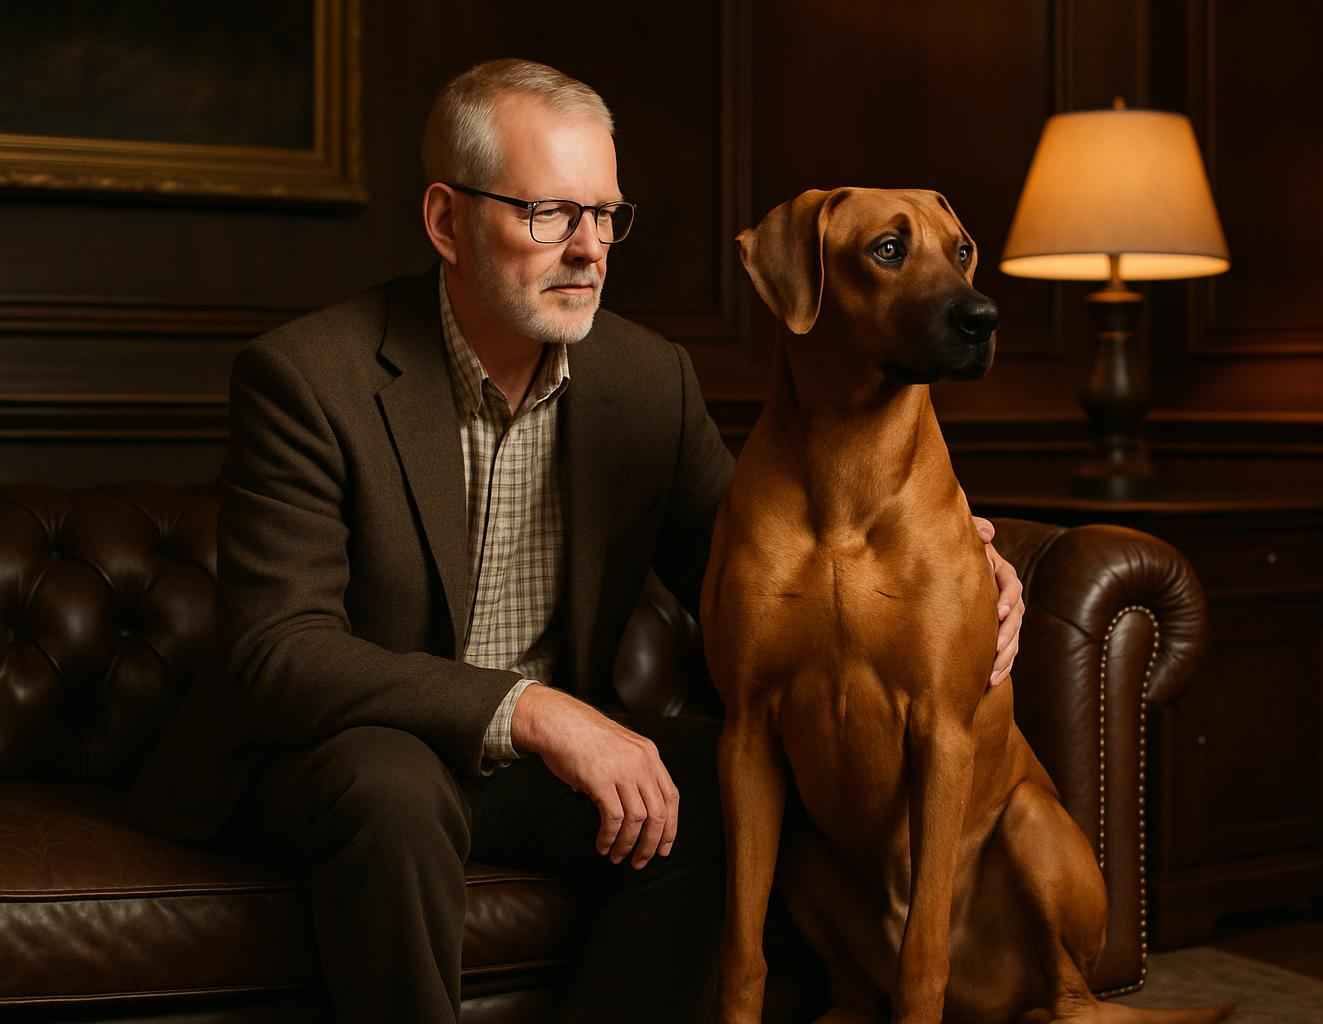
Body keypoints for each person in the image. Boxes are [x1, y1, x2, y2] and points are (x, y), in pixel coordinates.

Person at [131, 58, 1024, 1024]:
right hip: (344, 754)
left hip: (528, 779)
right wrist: (534, 710)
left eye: (604, 215)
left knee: (713, 780)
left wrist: (962, 578)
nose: (590, 249)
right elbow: (281, 653)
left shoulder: (646, 379)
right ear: (446, 222)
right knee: (393, 786)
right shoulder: (309, 378)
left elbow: (754, 570)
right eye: (549, 214)